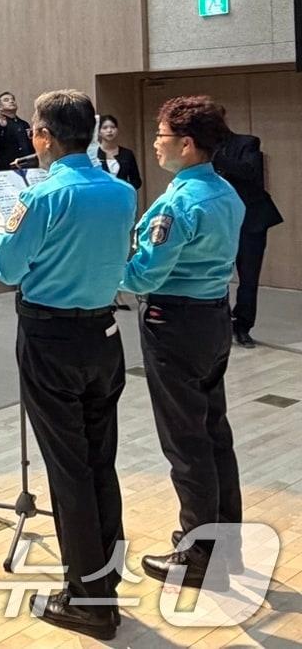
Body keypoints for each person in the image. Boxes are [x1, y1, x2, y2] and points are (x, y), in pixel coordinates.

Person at [0, 89, 138, 640]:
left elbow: (7, 269)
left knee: (68, 469)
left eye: (35, 129)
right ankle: (105, 581)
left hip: (51, 339)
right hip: (104, 335)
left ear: (45, 137)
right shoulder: (122, 192)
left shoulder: (41, 196)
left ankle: (89, 601)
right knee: (99, 461)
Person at [119, 95, 246, 590]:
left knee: (185, 442)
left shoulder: (178, 203)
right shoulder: (226, 192)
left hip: (174, 322)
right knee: (214, 433)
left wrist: (107, 270)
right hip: (214, 317)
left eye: (162, 136)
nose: (155, 144)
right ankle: (225, 544)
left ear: (187, 144)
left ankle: (197, 555)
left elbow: (145, 273)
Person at [213, 119, 283, 348]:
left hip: (251, 219)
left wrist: (215, 156)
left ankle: (243, 326)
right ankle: (220, 323)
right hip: (221, 220)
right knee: (217, 275)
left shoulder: (247, 143)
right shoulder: (201, 148)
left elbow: (249, 171)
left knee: (249, 277)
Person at [91, 114, 143, 190]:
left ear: (117, 130)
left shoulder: (127, 154)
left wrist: (125, 188)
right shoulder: (94, 154)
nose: (109, 130)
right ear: (99, 132)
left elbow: (136, 181)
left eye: (113, 127)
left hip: (123, 194)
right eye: (105, 128)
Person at [0, 91, 35, 171]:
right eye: (6, 100)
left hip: (26, 166)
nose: (11, 101)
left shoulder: (24, 124)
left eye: (13, 99)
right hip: (8, 167)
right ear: (0, 107)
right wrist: (2, 128)